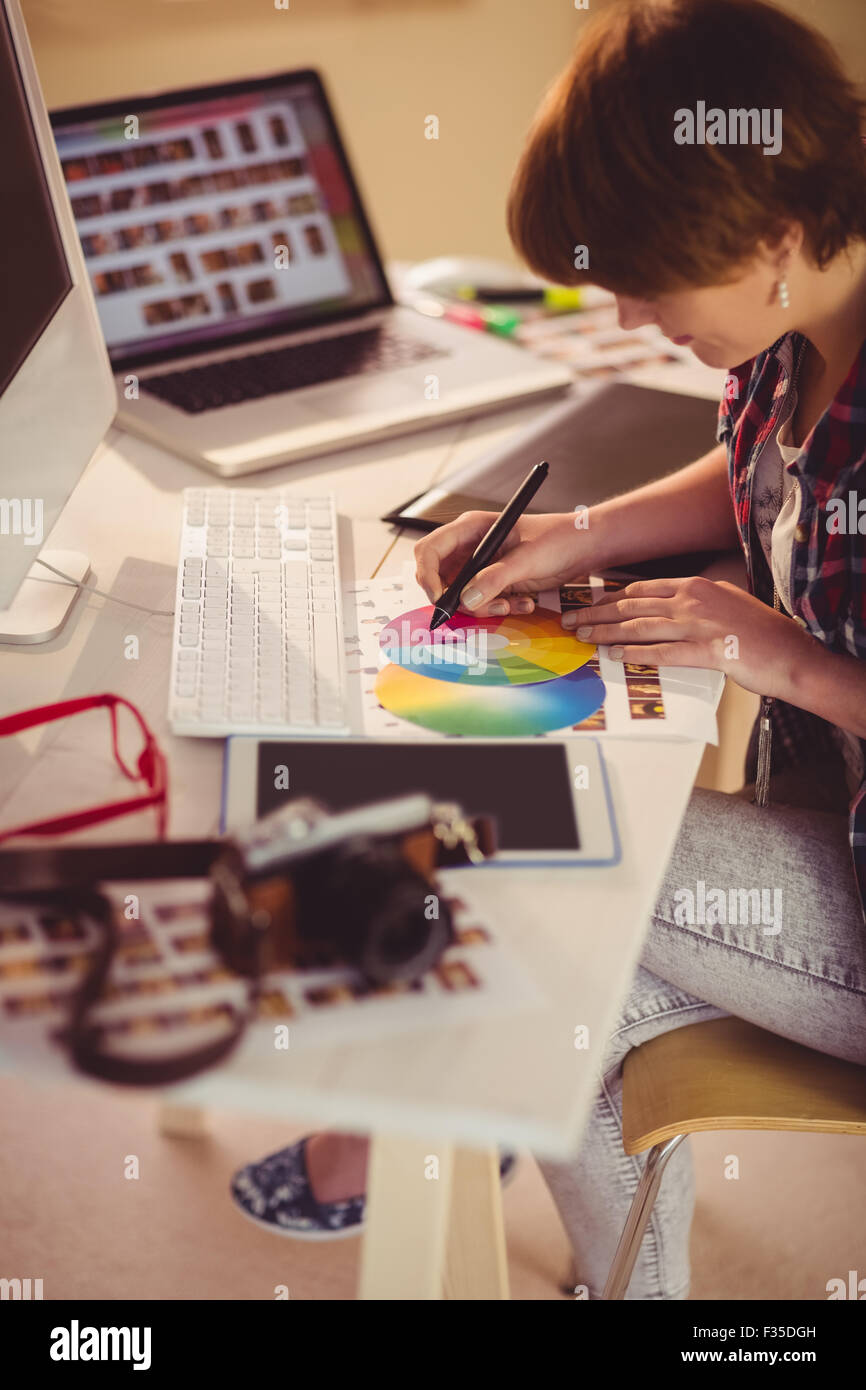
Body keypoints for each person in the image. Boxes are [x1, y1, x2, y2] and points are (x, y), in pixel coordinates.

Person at [230, 0, 866, 1294]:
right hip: (822, 809)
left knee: (539, 860)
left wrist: (778, 654)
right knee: (565, 980)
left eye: (646, 284)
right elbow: (755, 476)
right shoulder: (789, 332)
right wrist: (569, 532)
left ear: (773, 237)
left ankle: (401, 1117)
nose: (628, 316)